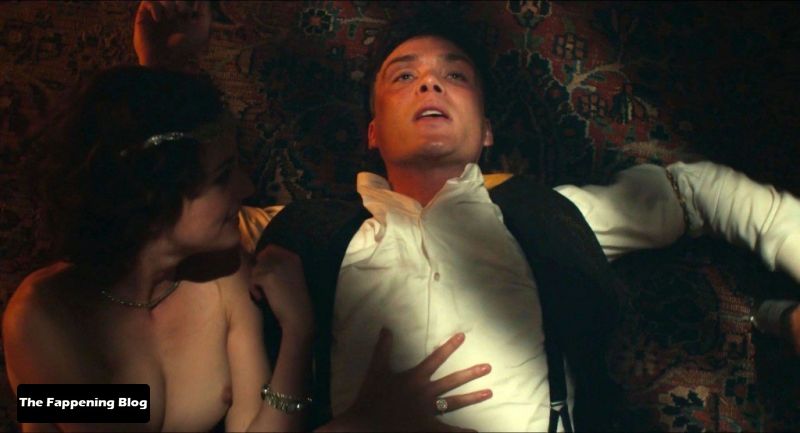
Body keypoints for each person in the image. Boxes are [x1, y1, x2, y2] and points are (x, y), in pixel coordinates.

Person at [134, 2, 800, 431]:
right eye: (403, 76)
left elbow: (695, 192)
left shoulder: (547, 213)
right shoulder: (306, 230)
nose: (429, 83)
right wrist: (161, 71)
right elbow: (156, 208)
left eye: (454, 75)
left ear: (485, 132)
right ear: (372, 132)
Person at [2, 66, 494, 432]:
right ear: (152, 198)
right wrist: (364, 422)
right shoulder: (43, 317)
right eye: (223, 176)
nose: (246, 186)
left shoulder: (223, 271)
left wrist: (299, 332)